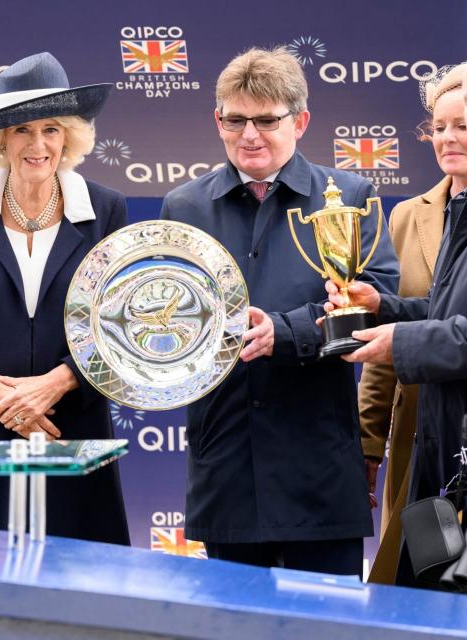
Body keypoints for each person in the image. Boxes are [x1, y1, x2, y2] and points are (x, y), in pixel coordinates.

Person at [159, 47, 398, 574]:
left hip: (318, 463)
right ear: (216, 120)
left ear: (301, 120)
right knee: (230, 624)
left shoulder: (351, 195)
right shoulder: (184, 206)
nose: (250, 134)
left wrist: (284, 334)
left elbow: (374, 299)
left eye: (267, 120)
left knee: (324, 626)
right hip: (224, 464)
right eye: (235, 119)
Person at [332, 48, 467, 603]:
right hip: (452, 457)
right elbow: (451, 309)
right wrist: (385, 308)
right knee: (438, 613)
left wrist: (402, 343)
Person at [0, 52, 130, 544]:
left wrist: (57, 383)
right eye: (22, 130)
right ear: (0, 141)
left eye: (51, 129)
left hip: (70, 431)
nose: (38, 145)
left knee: (75, 593)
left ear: (69, 137)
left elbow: (119, 326)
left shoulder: (105, 209)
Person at [358, 64, 467, 583]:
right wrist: (368, 443)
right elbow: (382, 340)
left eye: (462, 125)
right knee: (415, 580)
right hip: (418, 436)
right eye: (438, 127)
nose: (449, 138)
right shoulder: (408, 215)